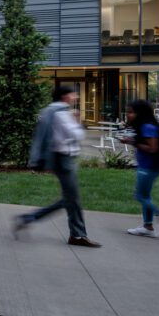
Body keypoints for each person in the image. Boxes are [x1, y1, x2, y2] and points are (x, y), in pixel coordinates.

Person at [13, 84, 100, 247]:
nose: (76, 97)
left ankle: (75, 234)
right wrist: (77, 122)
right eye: (73, 95)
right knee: (72, 199)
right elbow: (77, 134)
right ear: (65, 97)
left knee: (70, 199)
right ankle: (76, 235)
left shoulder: (48, 111)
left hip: (57, 157)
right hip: (64, 159)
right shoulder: (62, 113)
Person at [125, 99, 159, 238]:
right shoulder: (146, 126)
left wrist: (132, 142)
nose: (128, 115)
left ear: (140, 113)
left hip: (148, 167)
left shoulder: (147, 127)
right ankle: (147, 227)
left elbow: (152, 148)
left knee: (139, 196)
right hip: (148, 166)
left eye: (131, 112)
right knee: (145, 196)